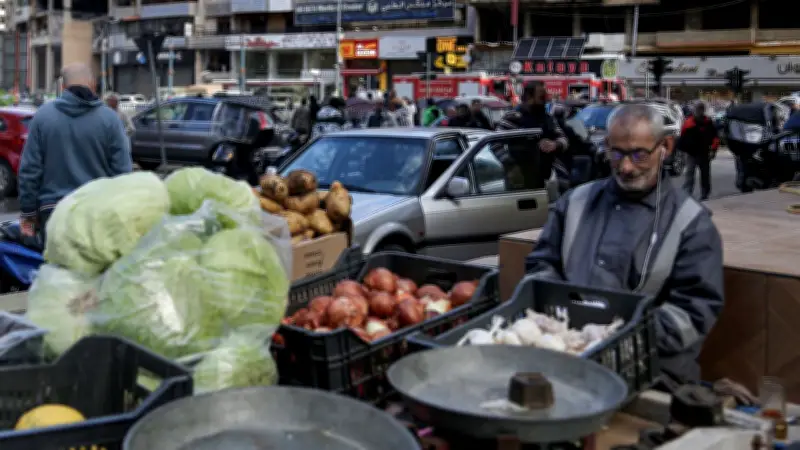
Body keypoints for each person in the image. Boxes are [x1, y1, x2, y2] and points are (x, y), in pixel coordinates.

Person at [526, 103, 724, 388]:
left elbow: (694, 313)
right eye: (617, 153)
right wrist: (561, 328)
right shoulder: (575, 203)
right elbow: (540, 266)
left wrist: (617, 340)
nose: (626, 167)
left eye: (639, 155)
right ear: (606, 146)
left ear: (665, 147)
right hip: (568, 362)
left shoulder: (691, 223)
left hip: (652, 376)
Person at [18, 63, 132, 238]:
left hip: (52, 213)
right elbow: (122, 173)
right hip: (96, 214)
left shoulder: (42, 117)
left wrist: (28, 213)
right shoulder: (111, 120)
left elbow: (29, 170)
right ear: (93, 85)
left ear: (63, 87)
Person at [496, 81, 569, 183]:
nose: (546, 100)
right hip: (520, 177)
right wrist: (511, 166)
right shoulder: (513, 118)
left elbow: (563, 138)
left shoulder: (548, 118)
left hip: (547, 177)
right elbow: (495, 143)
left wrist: (555, 144)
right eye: (541, 97)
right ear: (529, 97)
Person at [679, 102, 719, 201]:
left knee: (704, 175)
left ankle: (704, 193)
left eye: (701, 109)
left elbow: (715, 138)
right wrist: (684, 150)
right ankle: (687, 193)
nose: (699, 111)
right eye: (698, 109)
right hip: (692, 153)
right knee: (690, 174)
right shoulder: (689, 123)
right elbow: (682, 138)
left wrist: (713, 150)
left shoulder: (708, 122)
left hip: (704, 153)